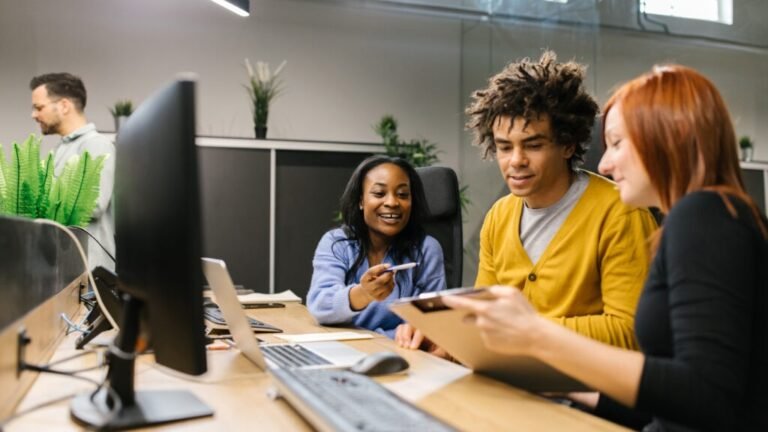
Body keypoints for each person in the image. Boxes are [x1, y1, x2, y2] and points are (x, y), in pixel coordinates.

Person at [444, 65, 768, 431]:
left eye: (616, 143)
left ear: (668, 137)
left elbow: (708, 396)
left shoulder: (703, 215)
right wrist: (563, 383)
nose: (604, 163)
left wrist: (535, 334)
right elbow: (673, 398)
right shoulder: (707, 216)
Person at [396, 51, 657, 351]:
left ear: (568, 145)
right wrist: (444, 338)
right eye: (504, 147)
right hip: (509, 381)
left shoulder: (620, 213)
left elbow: (629, 333)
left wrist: (522, 329)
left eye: (533, 145)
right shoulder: (499, 217)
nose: (515, 161)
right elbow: (484, 321)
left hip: (583, 390)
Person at [307, 155, 447, 338]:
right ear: (360, 201)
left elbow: (435, 319)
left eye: (403, 195)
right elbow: (320, 305)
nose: (392, 203)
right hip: (345, 348)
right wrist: (363, 293)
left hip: (402, 352)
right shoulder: (336, 242)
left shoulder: (426, 248)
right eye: (379, 194)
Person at [30, 73, 115, 270]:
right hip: (66, 269)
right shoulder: (59, 150)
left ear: (64, 106)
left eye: (39, 107)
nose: (34, 115)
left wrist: (36, 200)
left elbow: (92, 204)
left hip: (91, 274)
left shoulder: (97, 145)